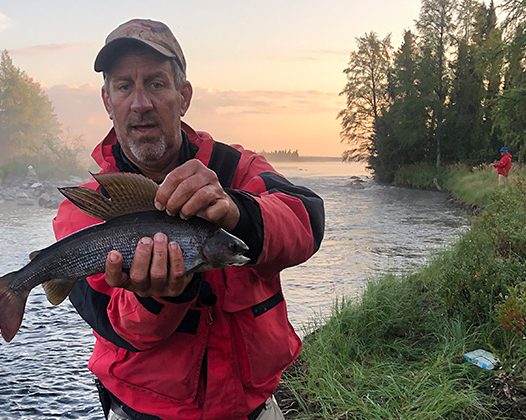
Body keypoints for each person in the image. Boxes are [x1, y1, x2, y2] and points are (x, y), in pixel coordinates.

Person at [52, 19, 324, 420]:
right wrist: (160, 296)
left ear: (184, 96)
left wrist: (236, 210)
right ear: (108, 101)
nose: (140, 102)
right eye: (124, 86)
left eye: (157, 84)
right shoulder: (86, 208)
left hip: (253, 410)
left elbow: (308, 223)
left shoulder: (237, 169)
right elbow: (114, 328)